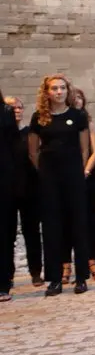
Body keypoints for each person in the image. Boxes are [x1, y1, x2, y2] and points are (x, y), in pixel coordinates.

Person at [28, 74, 92, 296]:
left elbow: (84, 149)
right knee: (52, 227)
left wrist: (77, 170)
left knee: (78, 224)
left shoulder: (77, 115)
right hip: (49, 178)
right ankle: (54, 278)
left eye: (62, 88)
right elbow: (33, 151)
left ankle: (81, 276)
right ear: (47, 92)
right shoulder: (39, 118)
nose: (58, 92)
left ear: (68, 91)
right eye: (54, 88)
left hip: (73, 175)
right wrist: (45, 172)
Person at [4, 96, 43, 287]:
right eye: (12, 108)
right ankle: (7, 275)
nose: (17, 111)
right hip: (7, 191)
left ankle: (36, 271)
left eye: (19, 107)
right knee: (7, 234)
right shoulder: (5, 135)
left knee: (32, 232)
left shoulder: (29, 133)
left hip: (29, 190)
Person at [71, 88, 95, 282]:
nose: (77, 100)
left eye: (80, 97)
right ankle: (67, 262)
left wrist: (85, 171)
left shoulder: (88, 122)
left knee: (89, 218)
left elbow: (94, 151)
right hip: (67, 174)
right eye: (73, 98)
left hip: (87, 174)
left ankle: (92, 259)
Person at [0, 90, 20, 302]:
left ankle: (3, 282)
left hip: (3, 180)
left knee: (4, 234)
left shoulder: (5, 112)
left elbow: (14, 148)